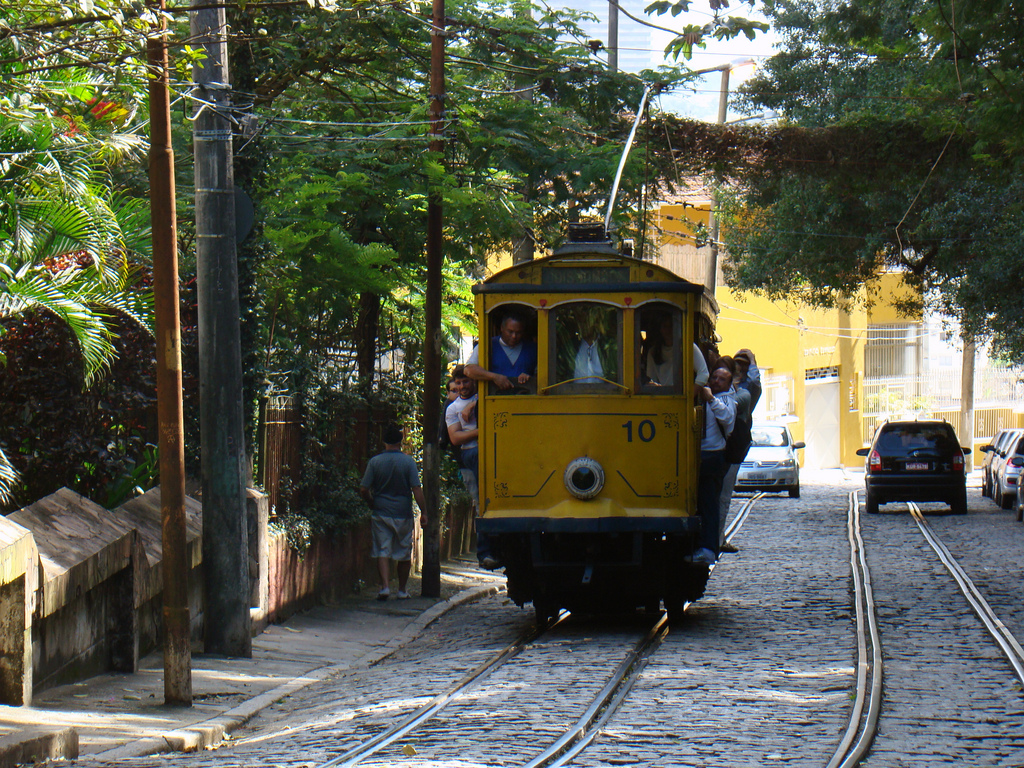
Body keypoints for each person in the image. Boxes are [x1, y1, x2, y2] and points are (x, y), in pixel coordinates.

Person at [359, 425, 428, 601]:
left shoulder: (375, 462)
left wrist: (372, 503)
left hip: (381, 511)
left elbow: (364, 489)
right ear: (400, 442)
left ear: (384, 442)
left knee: (382, 549)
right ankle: (402, 590)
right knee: (404, 551)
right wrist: (424, 511)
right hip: (403, 513)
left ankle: (385, 588)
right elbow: (416, 489)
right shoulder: (408, 462)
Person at [445, 367, 499, 569]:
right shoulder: (453, 408)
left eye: (465, 382)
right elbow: (455, 438)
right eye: (458, 383)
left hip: (491, 449)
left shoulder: (483, 397)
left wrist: (475, 404)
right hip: (472, 452)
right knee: (481, 500)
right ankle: (485, 552)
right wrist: (481, 430)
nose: (461, 387)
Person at [695, 366, 736, 565]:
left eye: (722, 379)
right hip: (700, 455)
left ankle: (709, 549)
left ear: (728, 384)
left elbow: (728, 419)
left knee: (710, 504)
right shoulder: (702, 395)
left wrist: (711, 399)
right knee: (701, 504)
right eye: (714, 377)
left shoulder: (726, 400)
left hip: (713, 456)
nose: (716, 381)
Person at [465, 313, 537, 391]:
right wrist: (494, 377)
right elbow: (468, 370)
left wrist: (529, 377)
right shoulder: (487, 346)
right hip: (494, 399)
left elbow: (541, 375)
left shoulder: (532, 348)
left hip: (525, 398)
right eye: (510, 332)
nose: (514, 336)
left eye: (518, 333)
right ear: (502, 328)